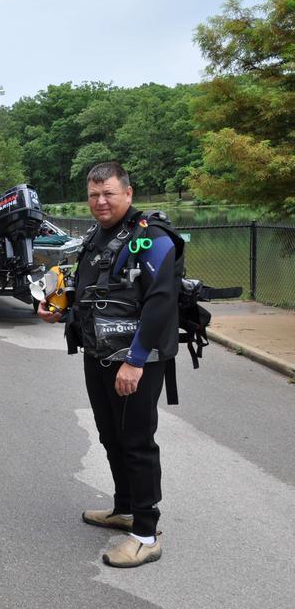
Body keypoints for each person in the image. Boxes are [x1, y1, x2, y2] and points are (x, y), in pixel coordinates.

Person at [38, 161, 179, 568]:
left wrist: (135, 362)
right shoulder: (99, 237)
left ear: (128, 194)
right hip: (98, 355)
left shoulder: (151, 237)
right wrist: (59, 311)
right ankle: (125, 508)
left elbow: (159, 302)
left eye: (109, 194)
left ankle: (146, 532)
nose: (100, 201)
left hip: (137, 359)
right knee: (110, 436)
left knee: (136, 441)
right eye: (94, 195)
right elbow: (93, 294)